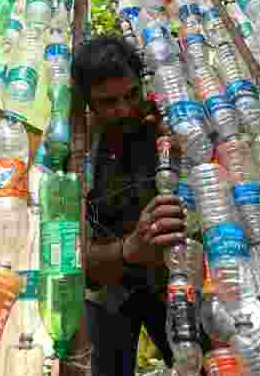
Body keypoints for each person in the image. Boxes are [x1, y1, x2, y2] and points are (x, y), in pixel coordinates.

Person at [73, 35, 188, 376]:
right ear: (87, 103)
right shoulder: (77, 154)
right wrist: (129, 250)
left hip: (169, 284)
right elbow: (72, 260)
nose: (123, 109)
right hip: (110, 293)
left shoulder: (161, 126)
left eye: (130, 95)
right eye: (108, 102)